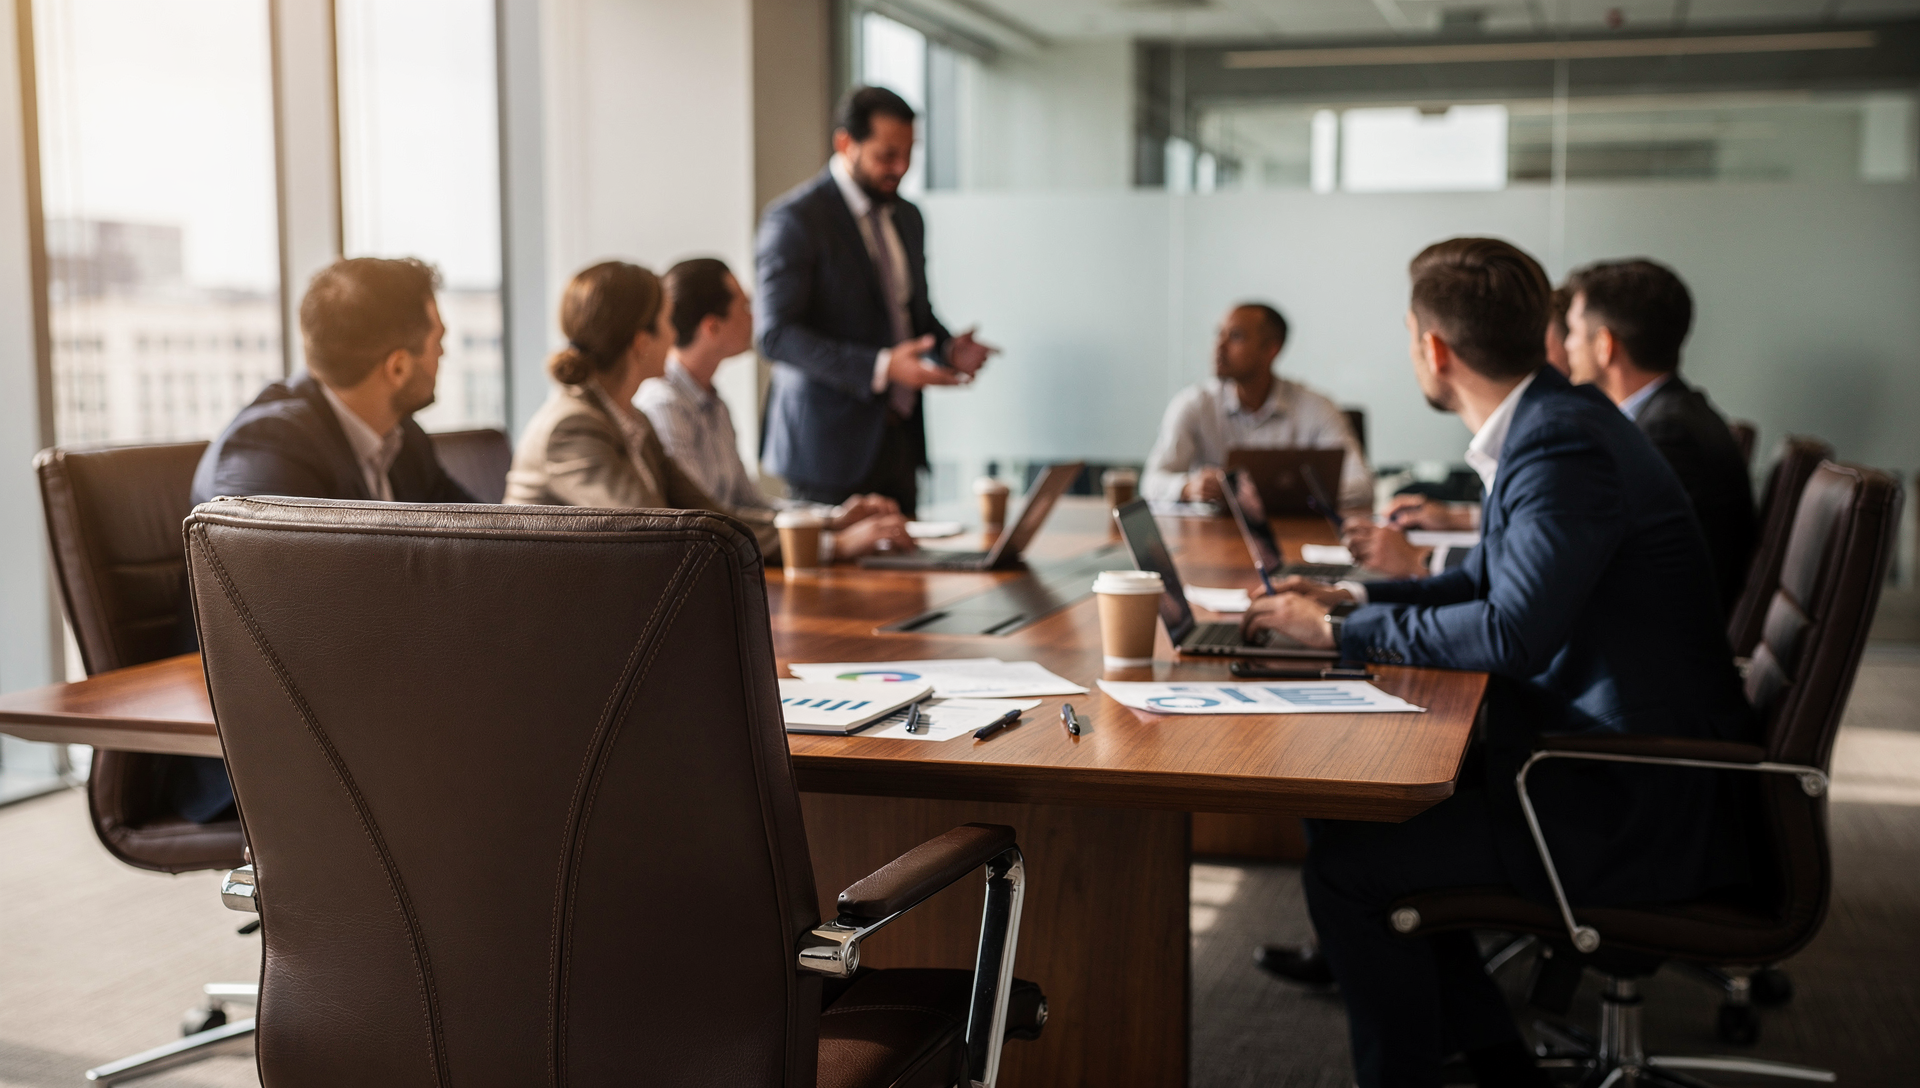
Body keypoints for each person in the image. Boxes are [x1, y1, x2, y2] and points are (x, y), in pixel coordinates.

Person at [1243, 238, 1755, 1088]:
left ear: (1434, 349)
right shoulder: (1554, 422)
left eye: (1410, 335)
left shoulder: (1561, 443)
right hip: (1602, 763)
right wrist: (1355, 603)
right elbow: (1487, 578)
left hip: (1632, 798)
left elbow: (1515, 633)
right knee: (1348, 820)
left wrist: (1338, 639)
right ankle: (1494, 1063)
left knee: (1347, 873)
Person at [184, 256, 477, 822]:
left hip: (369, 712)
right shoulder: (268, 447)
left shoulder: (400, 439)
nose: (444, 354)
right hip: (271, 743)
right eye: (438, 340)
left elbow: (483, 542)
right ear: (396, 366)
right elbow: (289, 617)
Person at [755, 85, 995, 518]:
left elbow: (909, 314)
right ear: (846, 143)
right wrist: (881, 367)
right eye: (887, 155)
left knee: (911, 578)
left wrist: (946, 348)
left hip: (898, 442)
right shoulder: (795, 220)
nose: (901, 168)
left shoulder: (908, 217)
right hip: (826, 449)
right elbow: (776, 335)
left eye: (908, 154)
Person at [637, 257, 913, 559]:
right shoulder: (664, 406)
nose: (755, 316)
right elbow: (706, 525)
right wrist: (835, 545)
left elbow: (750, 506)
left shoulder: (713, 403)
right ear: (712, 327)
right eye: (744, 307)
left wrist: (835, 519)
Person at [1564, 258, 1757, 616]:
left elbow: (1613, 563)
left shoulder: (1667, 435)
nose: (1567, 345)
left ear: (1605, 345)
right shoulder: (1675, 413)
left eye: (1573, 331)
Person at [1142, 302, 1372, 511]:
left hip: (1296, 538)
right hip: (1214, 541)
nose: (1219, 346)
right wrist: (1188, 487)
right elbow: (1150, 482)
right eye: (1219, 334)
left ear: (1272, 349)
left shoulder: (1316, 408)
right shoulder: (1194, 405)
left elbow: (1361, 484)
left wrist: (1278, 493)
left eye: (1236, 336)